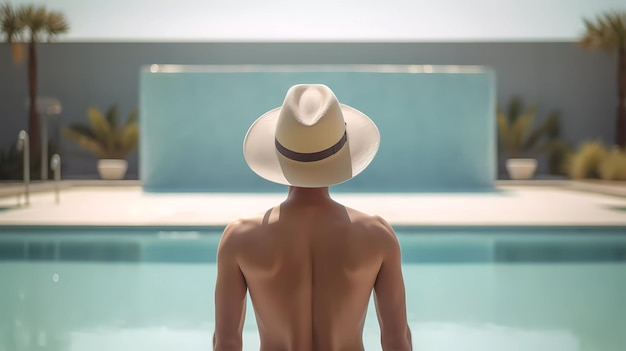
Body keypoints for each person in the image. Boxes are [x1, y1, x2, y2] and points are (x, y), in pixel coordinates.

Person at [213, 84, 412, 351]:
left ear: (279, 153)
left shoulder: (239, 238)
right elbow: (396, 341)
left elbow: (226, 343)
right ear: (342, 153)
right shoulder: (377, 235)